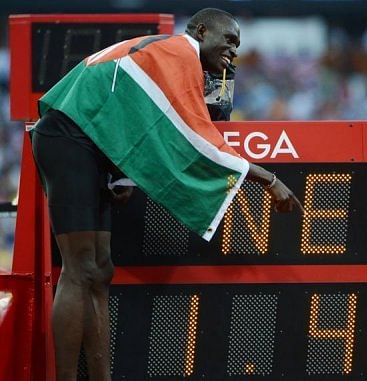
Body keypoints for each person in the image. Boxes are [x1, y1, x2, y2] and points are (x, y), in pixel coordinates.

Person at [31, 8, 302, 381]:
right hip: (68, 138)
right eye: (229, 40)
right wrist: (268, 179)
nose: (234, 51)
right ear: (201, 30)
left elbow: (140, 118)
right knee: (79, 271)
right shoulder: (180, 52)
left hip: (86, 141)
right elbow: (194, 140)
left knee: (99, 270)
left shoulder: (174, 53)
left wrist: (123, 178)